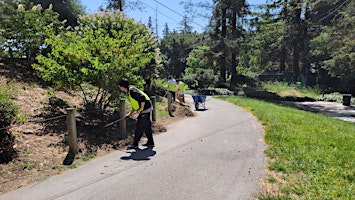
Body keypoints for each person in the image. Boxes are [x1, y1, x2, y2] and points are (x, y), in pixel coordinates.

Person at [119, 78, 155, 149]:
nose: (119, 88)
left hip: (145, 109)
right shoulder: (130, 91)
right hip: (146, 108)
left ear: (123, 87)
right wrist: (129, 113)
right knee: (146, 127)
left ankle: (135, 144)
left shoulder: (132, 91)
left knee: (139, 127)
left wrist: (141, 109)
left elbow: (142, 98)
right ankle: (150, 142)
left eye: (119, 86)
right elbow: (135, 104)